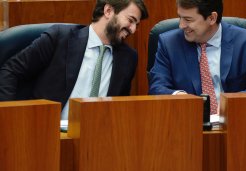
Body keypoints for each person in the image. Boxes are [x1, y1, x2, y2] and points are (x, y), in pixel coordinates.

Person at [0, 0, 148, 119]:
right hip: (48, 134)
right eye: (130, 20)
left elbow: (120, 107)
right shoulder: (60, 38)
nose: (133, 29)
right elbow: (10, 71)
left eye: (136, 25)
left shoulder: (128, 57)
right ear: (108, 11)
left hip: (98, 139)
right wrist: (11, 117)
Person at [148, 0, 246, 114]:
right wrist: (179, 97)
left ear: (212, 18)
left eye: (188, 20)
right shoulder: (169, 43)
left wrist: (230, 104)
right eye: (180, 17)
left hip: (234, 120)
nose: (181, 25)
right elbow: (157, 87)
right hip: (185, 121)